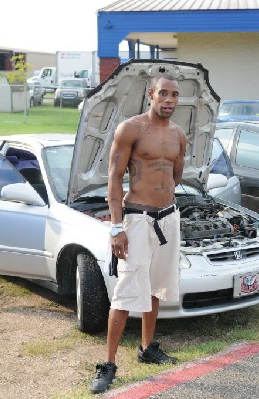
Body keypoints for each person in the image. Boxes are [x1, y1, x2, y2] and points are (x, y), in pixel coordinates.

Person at [90, 74, 186, 395]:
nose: (169, 100)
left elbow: (175, 175)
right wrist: (117, 227)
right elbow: (115, 179)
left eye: (174, 94)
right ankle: (108, 364)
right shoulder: (130, 129)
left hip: (168, 217)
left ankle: (147, 348)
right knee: (126, 290)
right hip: (137, 218)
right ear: (151, 95)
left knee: (156, 285)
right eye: (163, 93)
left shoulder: (178, 136)